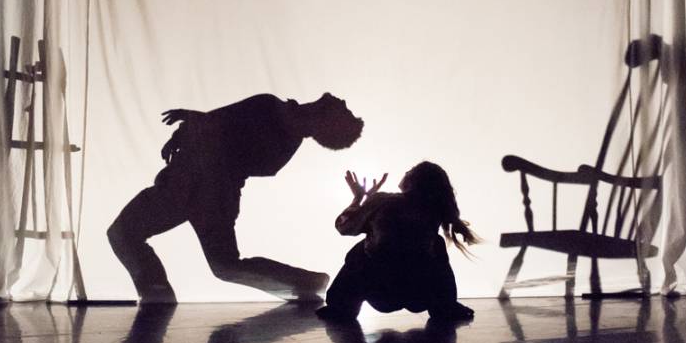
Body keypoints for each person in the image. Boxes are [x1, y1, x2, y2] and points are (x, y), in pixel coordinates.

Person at [108, 92, 364, 303]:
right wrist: (185, 134)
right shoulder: (277, 129)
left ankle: (157, 294)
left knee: (124, 234)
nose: (343, 101)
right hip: (206, 194)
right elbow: (219, 125)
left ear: (325, 121)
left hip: (199, 192)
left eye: (345, 111)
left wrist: (190, 127)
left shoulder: (274, 124)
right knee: (224, 265)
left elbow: (219, 127)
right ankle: (306, 282)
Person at [316, 161, 478, 321]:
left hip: (382, 292)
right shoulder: (432, 209)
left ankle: (340, 307)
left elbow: (345, 228)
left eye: (410, 170)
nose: (406, 172)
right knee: (438, 244)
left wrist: (358, 199)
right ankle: (446, 305)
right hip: (419, 293)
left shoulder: (382, 200)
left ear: (413, 180)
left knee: (359, 250)